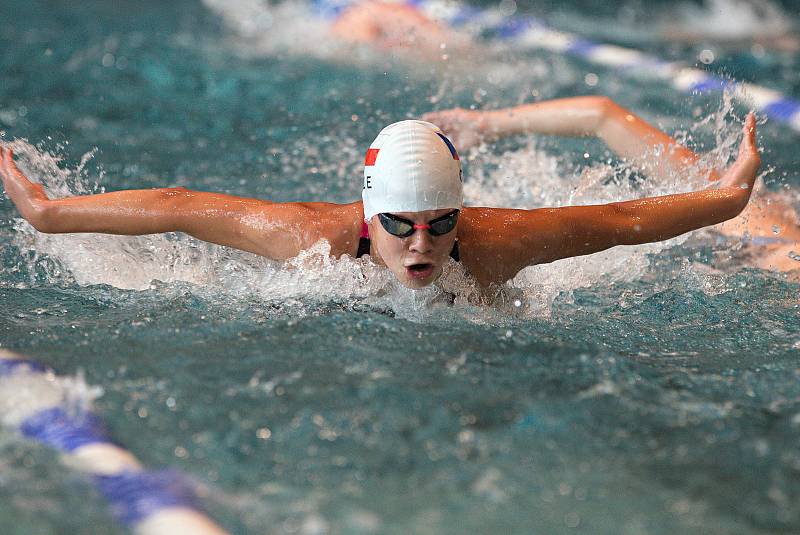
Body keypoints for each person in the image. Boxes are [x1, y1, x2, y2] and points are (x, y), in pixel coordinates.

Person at [1, 98, 761, 290]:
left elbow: (622, 219)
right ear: (370, 215)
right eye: (401, 225)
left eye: (441, 224)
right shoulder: (312, 239)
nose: (424, 244)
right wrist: (48, 211)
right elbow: (176, 205)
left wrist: (727, 202)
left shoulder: (498, 242)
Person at [423, 98, 798, 275]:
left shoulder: (750, 207)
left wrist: (488, 123)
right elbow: (601, 116)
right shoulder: (758, 216)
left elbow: (603, 114)